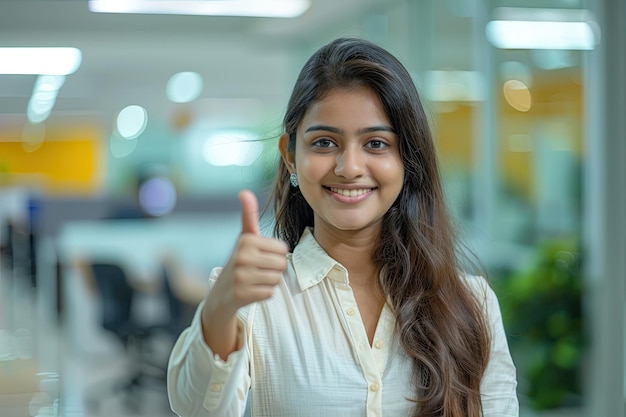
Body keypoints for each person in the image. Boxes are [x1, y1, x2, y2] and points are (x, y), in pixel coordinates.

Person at [167, 37, 518, 417]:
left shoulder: (472, 302)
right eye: (324, 142)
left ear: (407, 157)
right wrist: (219, 308)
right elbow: (195, 408)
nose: (349, 167)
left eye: (376, 144)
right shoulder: (255, 301)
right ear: (290, 156)